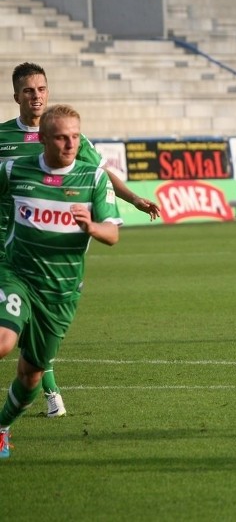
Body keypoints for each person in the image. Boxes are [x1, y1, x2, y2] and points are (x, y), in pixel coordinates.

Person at [0, 62, 158, 418]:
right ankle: (50, 391)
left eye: (41, 89)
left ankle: (42, 388)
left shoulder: (70, 136)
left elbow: (102, 174)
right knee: (8, 334)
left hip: (59, 261)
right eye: (29, 90)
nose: (36, 95)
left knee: (34, 335)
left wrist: (133, 199)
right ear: (17, 97)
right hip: (9, 247)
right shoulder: (4, 141)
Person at [0, 104, 122, 459]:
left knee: (31, 376)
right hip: (17, 274)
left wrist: (91, 226)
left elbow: (112, 234)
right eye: (61, 137)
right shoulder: (13, 169)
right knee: (4, 341)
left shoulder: (93, 178)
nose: (70, 144)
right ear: (42, 139)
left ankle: (3, 427)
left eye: (74, 137)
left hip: (60, 293)